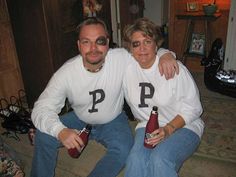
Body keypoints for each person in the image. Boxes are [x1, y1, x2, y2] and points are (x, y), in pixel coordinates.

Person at [30, 17, 178, 177]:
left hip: (113, 119)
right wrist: (60, 131)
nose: (93, 48)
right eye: (86, 42)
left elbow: (145, 52)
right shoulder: (66, 73)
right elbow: (41, 108)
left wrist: (166, 54)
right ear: (79, 45)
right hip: (80, 118)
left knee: (124, 149)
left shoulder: (120, 58)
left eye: (99, 41)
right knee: (43, 135)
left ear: (107, 43)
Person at [122, 18, 204, 177]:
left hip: (184, 126)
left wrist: (169, 129)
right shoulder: (126, 68)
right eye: (136, 44)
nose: (142, 48)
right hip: (147, 125)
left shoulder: (172, 68)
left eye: (147, 41)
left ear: (156, 44)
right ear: (130, 48)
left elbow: (194, 108)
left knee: (160, 159)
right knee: (135, 159)